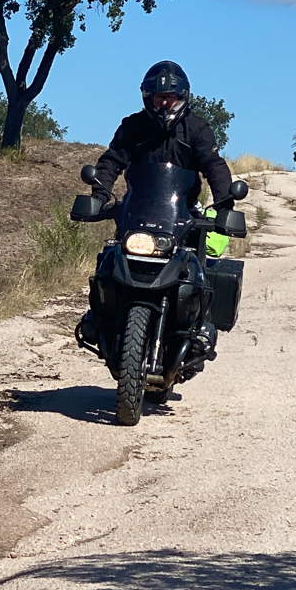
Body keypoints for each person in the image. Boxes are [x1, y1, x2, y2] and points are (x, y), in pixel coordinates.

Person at [82, 60, 234, 364]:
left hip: (183, 214)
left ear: (182, 97)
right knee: (108, 263)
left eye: (170, 98)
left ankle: (199, 329)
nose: (165, 104)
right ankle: (100, 317)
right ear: (148, 98)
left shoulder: (197, 128)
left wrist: (224, 205)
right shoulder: (133, 127)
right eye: (159, 98)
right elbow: (111, 161)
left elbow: (214, 166)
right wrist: (98, 196)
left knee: (197, 271)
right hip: (138, 212)